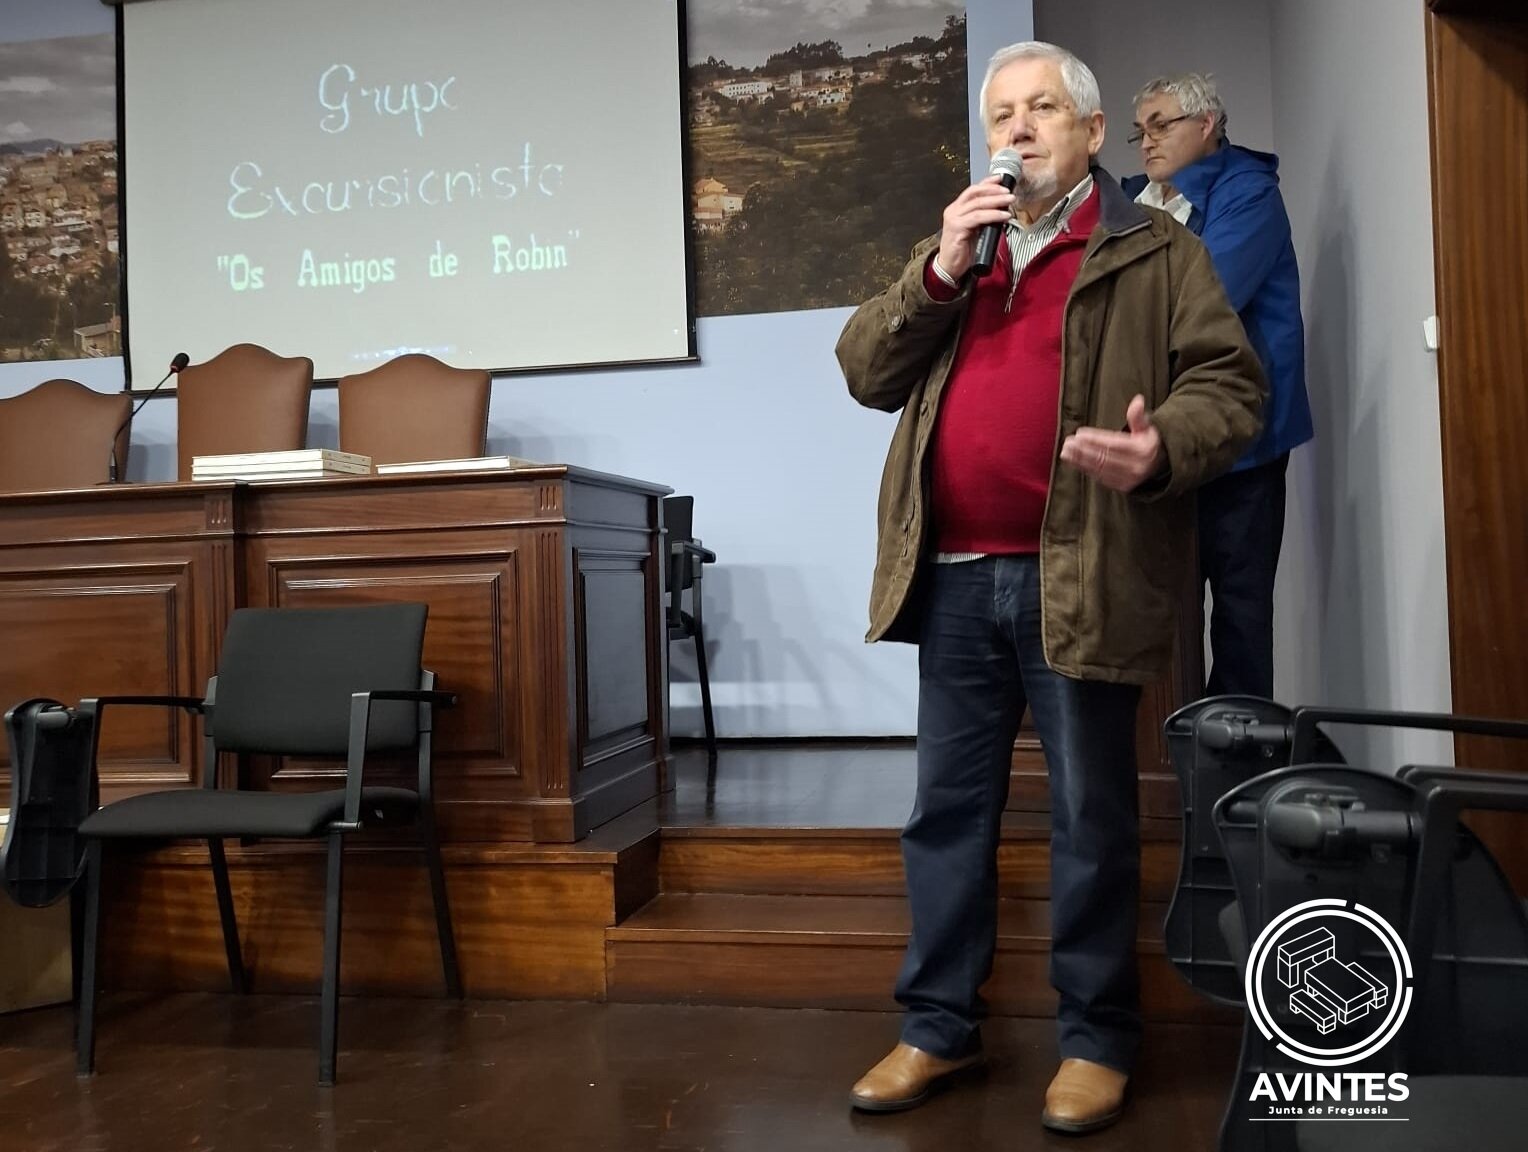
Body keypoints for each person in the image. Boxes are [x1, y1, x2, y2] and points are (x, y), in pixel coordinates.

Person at [835, 41, 1265, 1135]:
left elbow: (1230, 388)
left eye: (1037, 110)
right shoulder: (957, 253)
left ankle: (1096, 1041)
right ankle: (936, 1026)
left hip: (1082, 575)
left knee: (1088, 816)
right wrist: (935, 268)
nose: (1015, 130)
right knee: (945, 816)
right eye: (998, 115)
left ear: (1084, 129)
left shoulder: (1154, 251)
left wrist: (1159, 445)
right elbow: (863, 372)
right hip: (952, 581)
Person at [1122, 73, 1313, 699]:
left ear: (1207, 126)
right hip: (1164, 437)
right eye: (1140, 130)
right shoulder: (1130, 200)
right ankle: (1180, 772)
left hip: (1241, 442)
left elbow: (1210, 299)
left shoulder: (1248, 195)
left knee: (1240, 612)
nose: (1146, 141)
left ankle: (1240, 777)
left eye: (1161, 124)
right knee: (1165, 610)